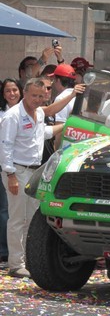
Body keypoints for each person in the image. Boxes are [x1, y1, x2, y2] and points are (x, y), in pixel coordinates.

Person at [0, 78, 63, 278]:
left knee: (32, 218)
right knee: (17, 218)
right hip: (17, 171)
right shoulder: (12, 116)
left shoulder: (39, 113)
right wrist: (10, 175)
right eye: (34, 95)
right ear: (24, 94)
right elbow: (5, 146)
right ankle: (16, 263)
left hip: (34, 171)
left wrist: (67, 125)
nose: (37, 99)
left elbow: (42, 134)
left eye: (41, 96)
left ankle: (29, 259)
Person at [0, 78, 23, 264]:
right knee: (6, 211)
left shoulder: (31, 112)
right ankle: (6, 252)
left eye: (15, 89)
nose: (12, 94)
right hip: (9, 169)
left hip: (23, 168)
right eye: (8, 91)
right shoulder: (5, 115)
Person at [49, 64, 77, 150]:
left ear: (58, 80)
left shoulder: (61, 98)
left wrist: (56, 152)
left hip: (66, 147)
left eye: (54, 79)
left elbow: (59, 130)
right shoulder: (80, 95)